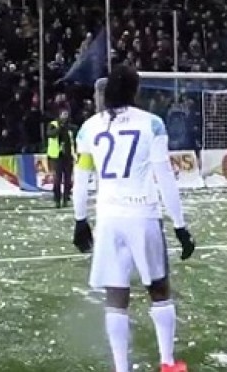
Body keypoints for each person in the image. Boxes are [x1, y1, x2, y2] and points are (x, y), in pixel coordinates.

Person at [71, 65, 195, 372]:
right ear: (135, 91)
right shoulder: (151, 124)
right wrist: (180, 226)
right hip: (142, 214)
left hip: (109, 217)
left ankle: (121, 368)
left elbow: (81, 177)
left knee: (116, 292)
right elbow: (164, 176)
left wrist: (80, 219)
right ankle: (167, 363)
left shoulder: (88, 128)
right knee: (159, 288)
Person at [46, 113, 75, 208]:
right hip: (57, 156)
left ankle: (66, 198)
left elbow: (72, 139)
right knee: (57, 179)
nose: (65, 117)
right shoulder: (53, 124)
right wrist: (60, 128)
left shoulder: (69, 127)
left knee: (68, 179)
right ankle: (57, 199)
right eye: (63, 115)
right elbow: (50, 134)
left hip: (67, 156)